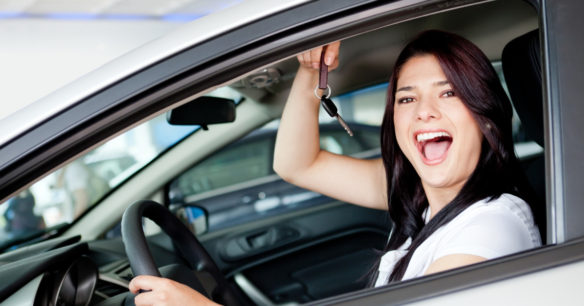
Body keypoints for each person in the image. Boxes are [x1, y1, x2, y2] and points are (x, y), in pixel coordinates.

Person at [128, 30, 541, 303]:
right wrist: (311, 73)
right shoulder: (421, 194)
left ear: (485, 115)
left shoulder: (493, 227)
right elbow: (298, 164)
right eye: (407, 99)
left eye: (448, 93)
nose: (424, 114)